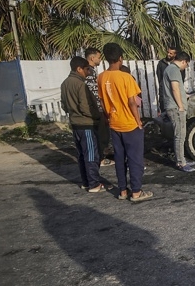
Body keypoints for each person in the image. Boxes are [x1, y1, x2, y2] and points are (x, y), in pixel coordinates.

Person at [98, 43, 153, 202]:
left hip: (114, 123)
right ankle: (136, 191)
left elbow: (102, 101)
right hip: (129, 124)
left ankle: (122, 190)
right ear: (120, 58)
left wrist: (108, 117)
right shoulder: (126, 77)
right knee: (135, 159)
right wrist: (138, 121)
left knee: (119, 158)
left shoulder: (101, 77)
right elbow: (132, 102)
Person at [61, 56, 108, 193]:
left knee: (82, 155)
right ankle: (94, 184)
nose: (88, 72)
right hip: (86, 124)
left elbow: (64, 105)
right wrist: (97, 117)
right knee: (91, 155)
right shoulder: (80, 84)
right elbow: (85, 106)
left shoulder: (65, 83)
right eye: (86, 69)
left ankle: (86, 182)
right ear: (79, 69)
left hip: (75, 124)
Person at [162, 51, 194, 172]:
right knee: (180, 135)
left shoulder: (170, 69)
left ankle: (182, 159)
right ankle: (181, 162)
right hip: (175, 108)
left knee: (181, 135)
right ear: (183, 61)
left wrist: (185, 95)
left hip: (174, 106)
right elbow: (175, 89)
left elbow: (176, 89)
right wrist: (180, 106)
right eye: (186, 64)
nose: (186, 67)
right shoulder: (174, 70)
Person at [84, 47, 113, 167]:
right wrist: (100, 108)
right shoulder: (89, 71)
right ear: (92, 58)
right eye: (98, 57)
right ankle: (100, 158)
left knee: (101, 134)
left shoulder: (90, 70)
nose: (100, 60)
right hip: (96, 109)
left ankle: (101, 155)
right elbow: (93, 93)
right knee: (100, 134)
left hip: (96, 108)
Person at [156, 46, 177, 114]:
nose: (168, 54)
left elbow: (181, 79)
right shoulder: (161, 63)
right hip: (163, 93)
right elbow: (159, 77)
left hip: (174, 93)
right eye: (168, 52)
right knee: (164, 114)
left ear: (175, 54)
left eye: (171, 53)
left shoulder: (177, 64)